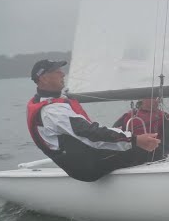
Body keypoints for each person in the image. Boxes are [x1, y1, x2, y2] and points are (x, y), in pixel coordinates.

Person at [26, 59, 161, 182]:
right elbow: (89, 133)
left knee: (131, 141)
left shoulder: (48, 103)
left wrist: (126, 136)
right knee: (148, 149)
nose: (63, 74)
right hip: (87, 168)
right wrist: (135, 140)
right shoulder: (52, 112)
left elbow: (87, 131)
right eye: (57, 71)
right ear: (43, 78)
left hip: (85, 158)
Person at [113, 97, 169, 162]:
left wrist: (154, 152)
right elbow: (114, 135)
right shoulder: (128, 116)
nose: (158, 100)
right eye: (154, 97)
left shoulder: (164, 116)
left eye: (158, 97)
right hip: (130, 158)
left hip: (155, 159)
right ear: (143, 99)